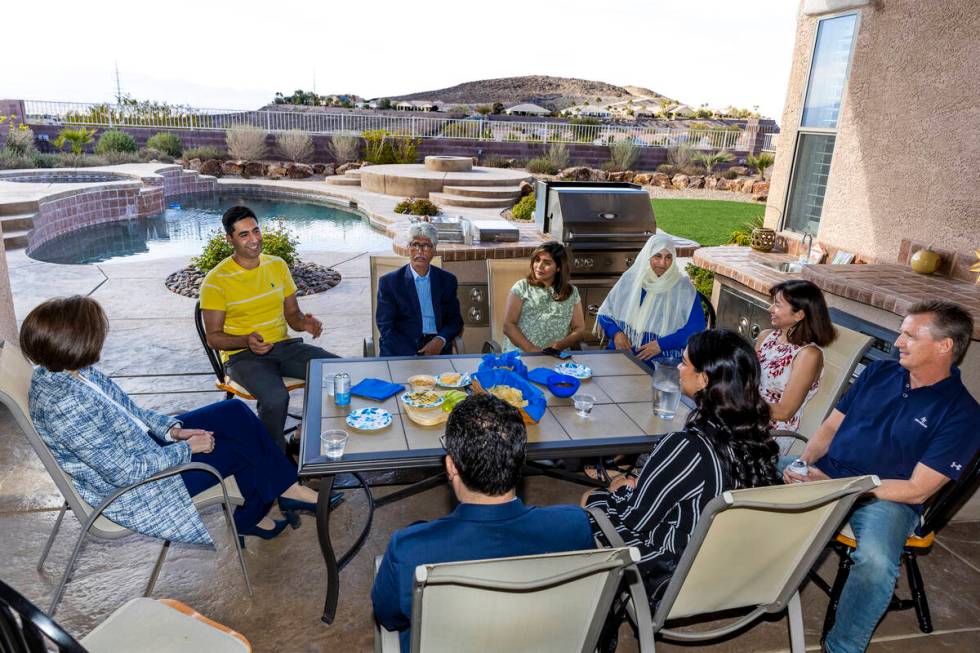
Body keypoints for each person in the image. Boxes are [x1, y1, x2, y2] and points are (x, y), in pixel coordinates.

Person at [21, 296, 323, 546]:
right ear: (75, 341)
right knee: (239, 448)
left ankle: (280, 491)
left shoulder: (67, 370)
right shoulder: (64, 406)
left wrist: (175, 431)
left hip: (140, 448)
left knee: (234, 413)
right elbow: (125, 473)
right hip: (138, 489)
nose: (102, 337)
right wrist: (187, 448)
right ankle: (256, 511)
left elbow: (132, 413)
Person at [783, 300, 979, 653]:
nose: (897, 342)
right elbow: (830, 427)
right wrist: (802, 462)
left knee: (875, 564)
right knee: (744, 475)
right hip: (827, 473)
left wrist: (837, 489)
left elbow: (918, 490)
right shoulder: (879, 374)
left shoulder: (962, 414)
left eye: (908, 335)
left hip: (885, 499)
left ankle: (842, 647)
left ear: (944, 346)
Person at [372, 394, 595, 652]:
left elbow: (388, 616)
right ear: (520, 459)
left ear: (451, 467)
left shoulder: (410, 550)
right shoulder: (574, 525)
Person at [583, 329, 779, 608]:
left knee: (593, 500)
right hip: (732, 567)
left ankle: (596, 605)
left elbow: (637, 519)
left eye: (685, 362)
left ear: (704, 380)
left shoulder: (686, 447)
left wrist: (621, 489)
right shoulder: (760, 441)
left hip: (676, 572)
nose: (677, 367)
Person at [200, 205, 336, 451]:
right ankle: (275, 460)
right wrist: (245, 340)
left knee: (338, 374)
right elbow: (214, 338)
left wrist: (306, 323)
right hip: (242, 356)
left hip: (284, 347)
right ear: (229, 239)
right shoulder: (215, 282)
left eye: (256, 231)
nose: (254, 240)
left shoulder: (277, 265)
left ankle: (301, 436)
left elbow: (293, 315)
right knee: (275, 398)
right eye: (244, 235)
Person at [595, 233, 706, 365]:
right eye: (657, 256)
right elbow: (605, 313)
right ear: (648, 256)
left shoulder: (683, 288)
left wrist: (661, 344)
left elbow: (696, 329)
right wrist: (616, 333)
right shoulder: (631, 280)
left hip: (660, 362)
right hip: (623, 355)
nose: (663, 263)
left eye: (668, 257)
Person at [755, 280, 836, 451]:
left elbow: (785, 412)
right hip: (747, 417)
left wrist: (739, 406)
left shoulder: (808, 355)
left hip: (771, 432)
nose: (771, 309)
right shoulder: (766, 337)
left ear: (799, 314)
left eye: (777, 305)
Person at [376, 222, 464, 357]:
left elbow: (455, 321)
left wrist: (440, 341)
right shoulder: (389, 283)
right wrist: (414, 355)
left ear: (434, 250)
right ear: (408, 248)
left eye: (426, 245)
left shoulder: (447, 281)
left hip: (436, 349)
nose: (419, 250)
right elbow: (386, 328)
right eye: (415, 244)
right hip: (401, 351)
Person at [502, 241, 586, 352]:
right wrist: (531, 349)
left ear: (558, 268)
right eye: (537, 260)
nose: (539, 266)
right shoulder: (522, 287)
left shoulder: (571, 292)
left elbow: (579, 329)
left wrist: (559, 346)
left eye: (547, 263)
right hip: (523, 356)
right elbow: (508, 326)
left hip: (555, 357)